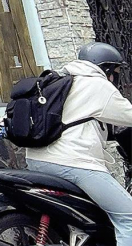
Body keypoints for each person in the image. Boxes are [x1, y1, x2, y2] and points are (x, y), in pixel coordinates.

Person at [27, 42, 132, 245]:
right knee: (128, 216)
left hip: (36, 161)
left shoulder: (62, 81)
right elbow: (128, 116)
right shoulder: (97, 85)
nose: (115, 78)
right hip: (73, 163)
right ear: (106, 69)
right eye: (115, 72)